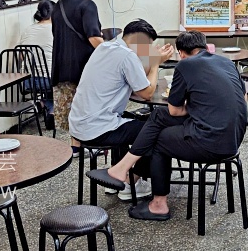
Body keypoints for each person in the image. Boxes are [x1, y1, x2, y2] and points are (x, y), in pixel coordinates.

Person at [95, 31, 248, 221]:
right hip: (234, 138)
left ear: (182, 52)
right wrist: (199, 106)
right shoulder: (225, 62)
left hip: (210, 142)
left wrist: (194, 106)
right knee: (159, 116)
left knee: (160, 137)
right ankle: (126, 172)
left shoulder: (185, 65)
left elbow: (175, 111)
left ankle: (157, 202)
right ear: (204, 46)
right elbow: (243, 98)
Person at [69, 19, 174, 200]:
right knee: (157, 131)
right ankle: (130, 182)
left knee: (136, 121)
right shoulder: (127, 56)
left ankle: (114, 183)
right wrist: (156, 63)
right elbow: (147, 93)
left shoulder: (106, 48)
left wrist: (152, 59)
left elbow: (136, 73)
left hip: (81, 124)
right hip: (99, 128)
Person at [51, 0, 104, 132]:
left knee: (69, 114)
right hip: (84, 68)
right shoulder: (87, 5)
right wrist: (110, 53)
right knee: (87, 111)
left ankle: (73, 148)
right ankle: (89, 144)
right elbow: (94, 37)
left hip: (61, 68)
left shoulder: (57, 6)